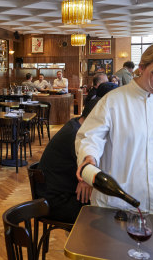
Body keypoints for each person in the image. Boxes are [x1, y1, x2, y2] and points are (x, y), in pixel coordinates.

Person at [75, 42, 153, 218]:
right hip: (118, 201)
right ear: (141, 67)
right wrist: (89, 156)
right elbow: (90, 137)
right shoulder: (113, 101)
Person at [38, 83, 116, 223]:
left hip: (58, 192)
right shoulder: (76, 135)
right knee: (109, 211)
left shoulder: (76, 125)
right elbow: (95, 173)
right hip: (57, 201)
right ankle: (83, 243)